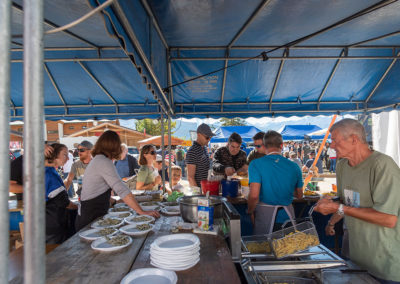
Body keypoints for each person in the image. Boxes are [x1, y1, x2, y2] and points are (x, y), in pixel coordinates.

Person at [314, 119, 400, 283]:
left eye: (334, 140)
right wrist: (332, 216)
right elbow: (346, 202)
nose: (331, 146)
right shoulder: (342, 166)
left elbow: (388, 219)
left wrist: (337, 207)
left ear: (354, 139)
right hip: (357, 259)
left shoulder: (382, 165)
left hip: (386, 265)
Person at [75, 131, 159, 231]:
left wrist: (114, 201)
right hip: (90, 217)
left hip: (92, 213)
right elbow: (121, 189)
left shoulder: (99, 160)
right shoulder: (104, 162)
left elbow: (97, 190)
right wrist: (142, 212)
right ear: (113, 147)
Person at [248, 131, 303, 235]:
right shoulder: (294, 166)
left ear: (264, 145)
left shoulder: (255, 164)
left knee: (264, 248)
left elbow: (254, 195)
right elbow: (299, 195)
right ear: (282, 145)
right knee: (287, 248)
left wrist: (250, 210)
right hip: (287, 219)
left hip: (264, 217)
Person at [45, 143, 77, 244]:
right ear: (53, 155)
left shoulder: (50, 170)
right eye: (64, 155)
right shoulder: (49, 174)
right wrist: (81, 207)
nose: (67, 158)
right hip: (53, 228)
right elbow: (64, 203)